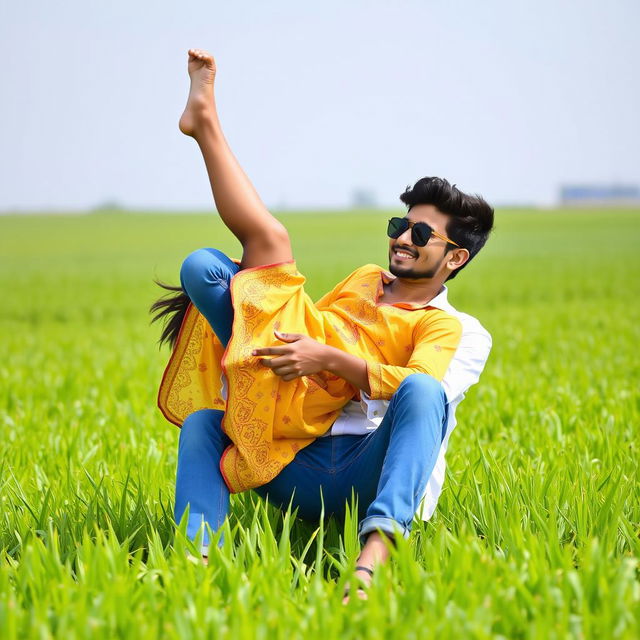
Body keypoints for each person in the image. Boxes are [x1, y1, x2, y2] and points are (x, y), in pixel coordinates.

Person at [150, 49, 494, 601]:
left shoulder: (453, 329)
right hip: (293, 449)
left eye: (422, 235)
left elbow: (414, 393)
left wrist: (326, 359)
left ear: (455, 258)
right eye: (401, 225)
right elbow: (319, 325)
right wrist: (265, 318)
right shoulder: (364, 277)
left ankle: (370, 564)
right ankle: (192, 566)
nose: (403, 238)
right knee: (208, 274)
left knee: (426, 391)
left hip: (364, 472)